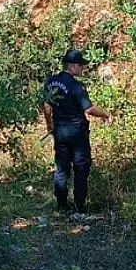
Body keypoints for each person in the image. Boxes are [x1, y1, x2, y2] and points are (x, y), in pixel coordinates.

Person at [42, 49, 114, 215]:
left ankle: (61, 205)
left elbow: (47, 106)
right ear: (72, 66)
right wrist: (106, 115)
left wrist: (49, 125)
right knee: (81, 168)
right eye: (80, 65)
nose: (82, 69)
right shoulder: (76, 86)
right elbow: (89, 109)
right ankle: (79, 207)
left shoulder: (51, 82)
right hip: (77, 131)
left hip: (60, 130)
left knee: (62, 168)